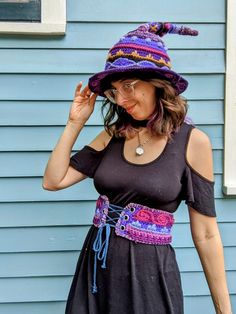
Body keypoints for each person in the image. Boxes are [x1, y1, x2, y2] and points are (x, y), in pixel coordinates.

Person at [42, 22, 232, 314]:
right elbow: (54, 180)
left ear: (157, 83)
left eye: (128, 86)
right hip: (96, 274)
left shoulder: (193, 142)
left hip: (150, 281)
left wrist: (224, 310)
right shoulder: (113, 135)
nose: (121, 100)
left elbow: (206, 233)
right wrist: (74, 124)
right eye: (114, 91)